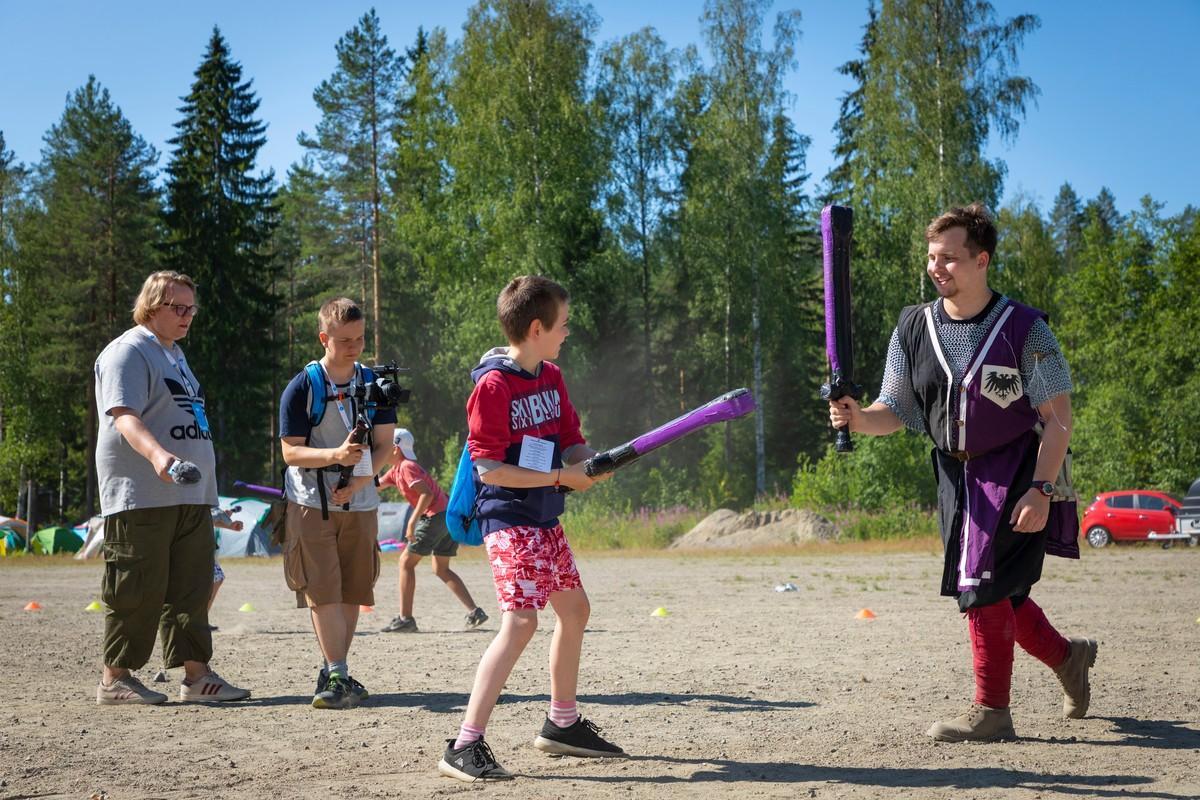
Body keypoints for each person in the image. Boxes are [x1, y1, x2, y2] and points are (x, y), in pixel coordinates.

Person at [827, 203, 1097, 742]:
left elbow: (1058, 418)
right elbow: (897, 412)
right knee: (1003, 595)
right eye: (931, 257)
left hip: (1019, 471)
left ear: (982, 260)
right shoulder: (913, 327)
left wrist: (1042, 489)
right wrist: (858, 418)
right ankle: (1070, 658)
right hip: (955, 478)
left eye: (949, 258)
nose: (937, 267)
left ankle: (992, 711)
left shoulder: (1026, 329)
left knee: (982, 588)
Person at [437, 276, 622, 783]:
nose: (567, 333)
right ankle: (464, 744)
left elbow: (570, 441)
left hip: (544, 515)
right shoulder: (493, 387)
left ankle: (561, 724)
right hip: (508, 518)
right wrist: (563, 476)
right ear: (536, 328)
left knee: (575, 609)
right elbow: (489, 469)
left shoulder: (551, 376)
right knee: (521, 622)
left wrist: (594, 461)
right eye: (562, 325)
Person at [93, 270, 250, 705]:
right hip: (142, 491)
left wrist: (208, 501)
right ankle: (115, 678)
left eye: (190, 309)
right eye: (177, 308)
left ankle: (197, 678)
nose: (186, 316)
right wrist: (160, 458)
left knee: (192, 588)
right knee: (136, 587)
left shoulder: (175, 354)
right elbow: (123, 416)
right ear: (150, 306)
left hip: (188, 495)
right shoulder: (128, 351)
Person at [278, 297, 395, 710]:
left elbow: (385, 445)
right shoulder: (302, 386)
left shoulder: (377, 383)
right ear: (324, 338)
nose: (354, 347)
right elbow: (290, 452)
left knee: (352, 590)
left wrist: (360, 478)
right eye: (344, 340)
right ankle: (338, 671)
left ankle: (335, 669)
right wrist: (334, 458)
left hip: (360, 502)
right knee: (324, 590)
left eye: (360, 338)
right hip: (311, 502)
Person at [378, 428, 488, 633]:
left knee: (405, 563)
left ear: (395, 448)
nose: (380, 451)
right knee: (441, 568)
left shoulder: (407, 467)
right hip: (447, 517)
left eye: (383, 447)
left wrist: (411, 522)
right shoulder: (396, 470)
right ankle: (475, 611)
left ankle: (406, 619)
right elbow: (374, 485)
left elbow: (426, 495)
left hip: (435, 516)